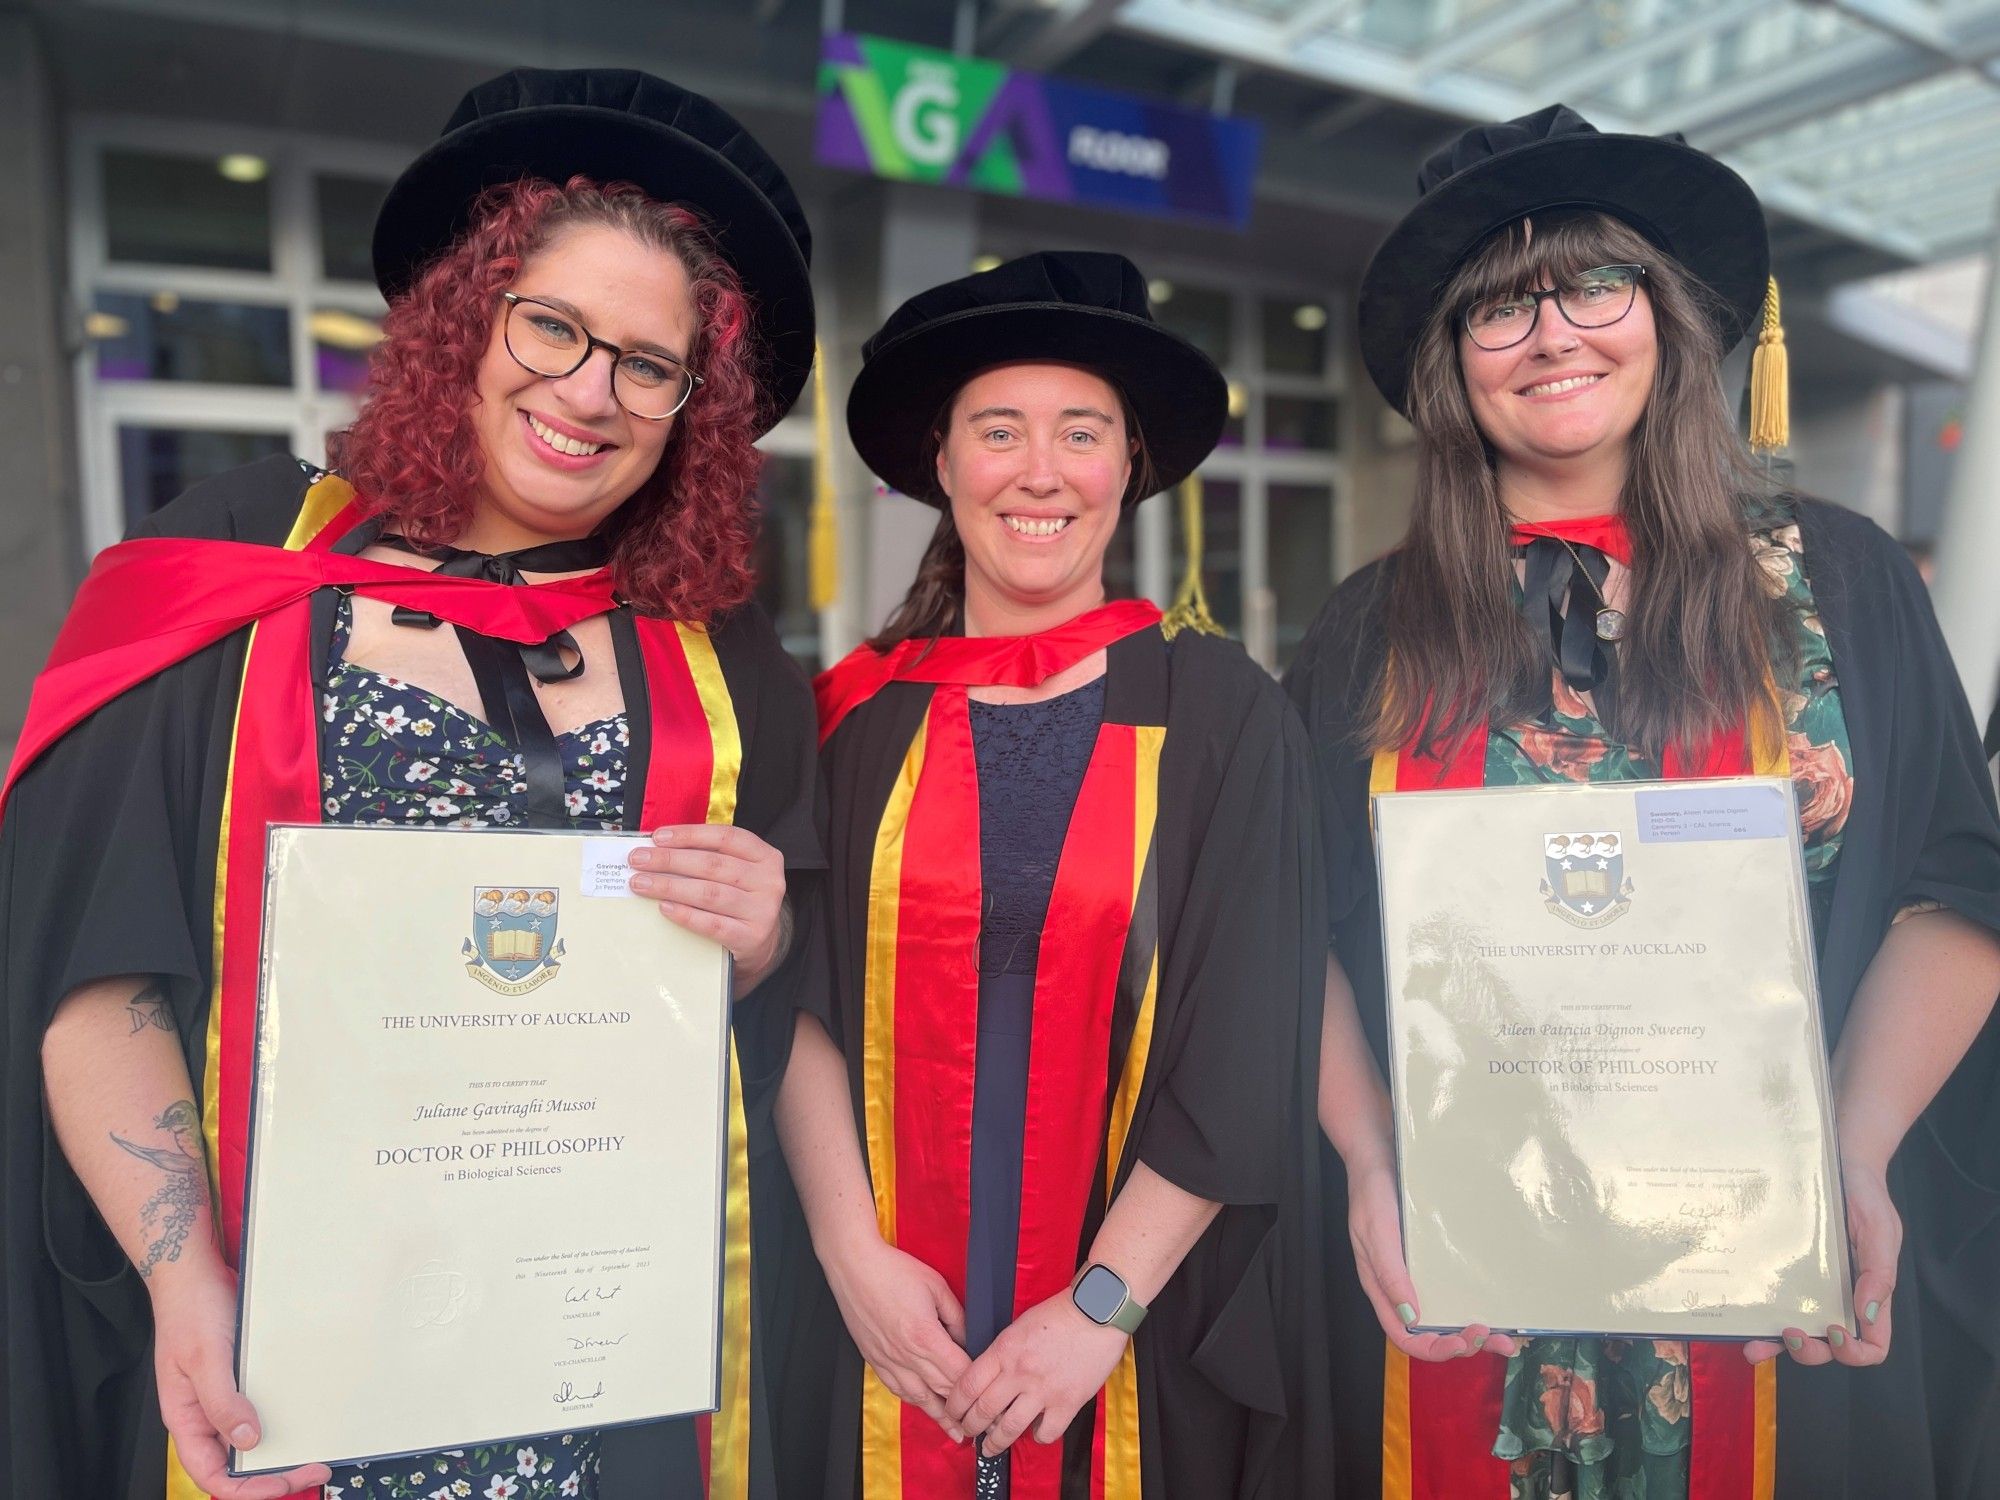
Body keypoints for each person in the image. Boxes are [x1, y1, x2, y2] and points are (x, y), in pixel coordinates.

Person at [2, 68, 824, 1500]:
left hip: (590, 1356)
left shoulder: (719, 655)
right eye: (553, 326)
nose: (589, 392)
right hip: (284, 1344)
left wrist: (762, 937)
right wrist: (185, 1278)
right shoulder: (243, 558)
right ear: (470, 322)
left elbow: (755, 991)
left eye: (649, 363)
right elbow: (100, 976)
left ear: (690, 407)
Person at [1286, 104, 2000, 1499]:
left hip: (1772, 1298)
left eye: (1593, 284)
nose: (1553, 333)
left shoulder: (1837, 582)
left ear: (1665, 316)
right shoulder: (1374, 625)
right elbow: (1291, 922)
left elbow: (1953, 883)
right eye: (1498, 307)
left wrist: (1849, 1161)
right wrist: (1370, 1165)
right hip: (1461, 1286)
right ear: (1452, 368)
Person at [774, 251, 1333, 1499]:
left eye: (1080, 433)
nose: (1039, 472)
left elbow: (1245, 1037)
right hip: (882, 1315)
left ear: (1127, 464)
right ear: (942, 460)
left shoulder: (1222, 717)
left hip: (1135, 1335)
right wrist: (850, 1257)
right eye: (999, 431)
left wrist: (1097, 1308)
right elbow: (795, 999)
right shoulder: (850, 721)